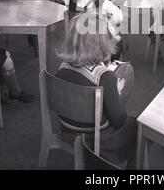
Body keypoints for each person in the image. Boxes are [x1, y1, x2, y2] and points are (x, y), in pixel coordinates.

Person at [56, 13, 137, 167]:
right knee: (136, 126)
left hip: (67, 127)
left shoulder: (62, 67)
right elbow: (118, 120)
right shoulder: (104, 76)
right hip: (96, 137)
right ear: (102, 45)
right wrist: (116, 92)